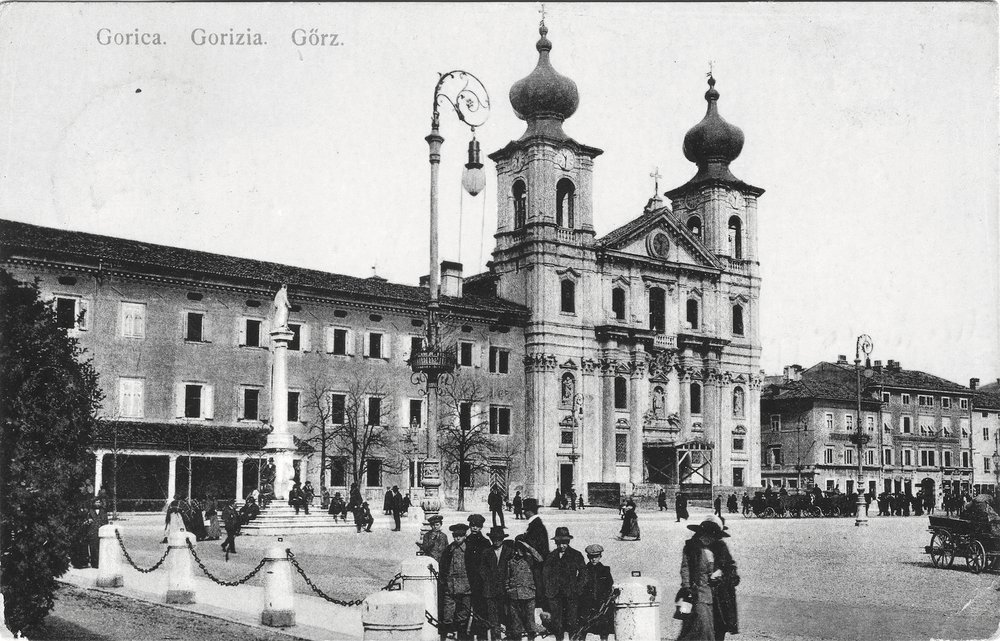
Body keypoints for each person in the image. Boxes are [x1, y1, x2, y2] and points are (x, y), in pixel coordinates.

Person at [677, 518, 726, 641]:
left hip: (712, 595)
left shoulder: (715, 550)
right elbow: (685, 569)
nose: (710, 539)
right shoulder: (690, 548)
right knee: (702, 627)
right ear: (701, 534)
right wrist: (687, 587)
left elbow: (724, 568)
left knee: (705, 627)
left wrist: (719, 575)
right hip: (696, 593)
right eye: (708, 535)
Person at [542, 526, 585, 640]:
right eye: (559, 543)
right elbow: (545, 576)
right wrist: (549, 591)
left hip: (571, 595)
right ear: (556, 542)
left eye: (565, 543)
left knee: (572, 624)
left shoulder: (576, 555)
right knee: (557, 625)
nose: (562, 546)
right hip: (555, 596)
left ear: (568, 542)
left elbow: (583, 574)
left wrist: (577, 589)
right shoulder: (551, 556)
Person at [478, 526, 515, 640]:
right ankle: (496, 638)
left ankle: (509, 637)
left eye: (499, 538)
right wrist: (489, 581)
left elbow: (513, 570)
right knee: (493, 619)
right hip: (490, 591)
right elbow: (482, 570)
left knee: (508, 617)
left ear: (503, 539)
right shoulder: (486, 552)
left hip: (506, 591)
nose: (496, 541)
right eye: (494, 538)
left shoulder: (510, 552)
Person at [440, 523, 473, 640]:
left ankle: (462, 637)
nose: (457, 538)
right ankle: (446, 636)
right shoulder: (449, 550)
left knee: (463, 616)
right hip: (450, 588)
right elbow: (443, 567)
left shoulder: (470, 550)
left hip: (466, 588)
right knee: (447, 615)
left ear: (465, 536)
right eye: (455, 536)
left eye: (460, 535)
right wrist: (444, 583)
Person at [508, 532, 543, 639]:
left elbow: (540, 559)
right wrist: (508, 589)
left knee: (530, 623)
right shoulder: (511, 561)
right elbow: (507, 577)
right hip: (514, 595)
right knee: (516, 624)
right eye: (518, 548)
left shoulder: (530, 558)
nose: (519, 550)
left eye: (521, 548)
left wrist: (528, 546)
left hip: (529, 595)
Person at [579, 544, 615, 641]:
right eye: (591, 557)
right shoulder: (584, 570)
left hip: (601, 604)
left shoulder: (605, 570)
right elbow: (580, 587)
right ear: (588, 557)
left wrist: (605, 600)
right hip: (587, 605)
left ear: (600, 557)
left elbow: (609, 585)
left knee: (604, 630)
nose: (594, 559)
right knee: (583, 629)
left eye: (596, 557)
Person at [464, 514, 491, 640]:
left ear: (481, 527)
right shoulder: (466, 541)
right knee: (465, 609)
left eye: (477, 526)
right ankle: (467, 635)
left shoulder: (485, 542)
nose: (474, 528)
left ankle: (482, 635)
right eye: (472, 526)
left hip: (480, 581)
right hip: (467, 579)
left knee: (481, 608)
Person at [86, 498, 108, 568]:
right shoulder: (89, 511)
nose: (98, 504)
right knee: (93, 548)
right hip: (92, 532)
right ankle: (94, 564)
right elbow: (86, 520)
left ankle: (102, 563)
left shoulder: (103, 511)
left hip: (102, 532)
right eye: (96, 502)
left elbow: (106, 521)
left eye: (99, 502)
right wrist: (88, 521)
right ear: (93, 503)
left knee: (102, 548)